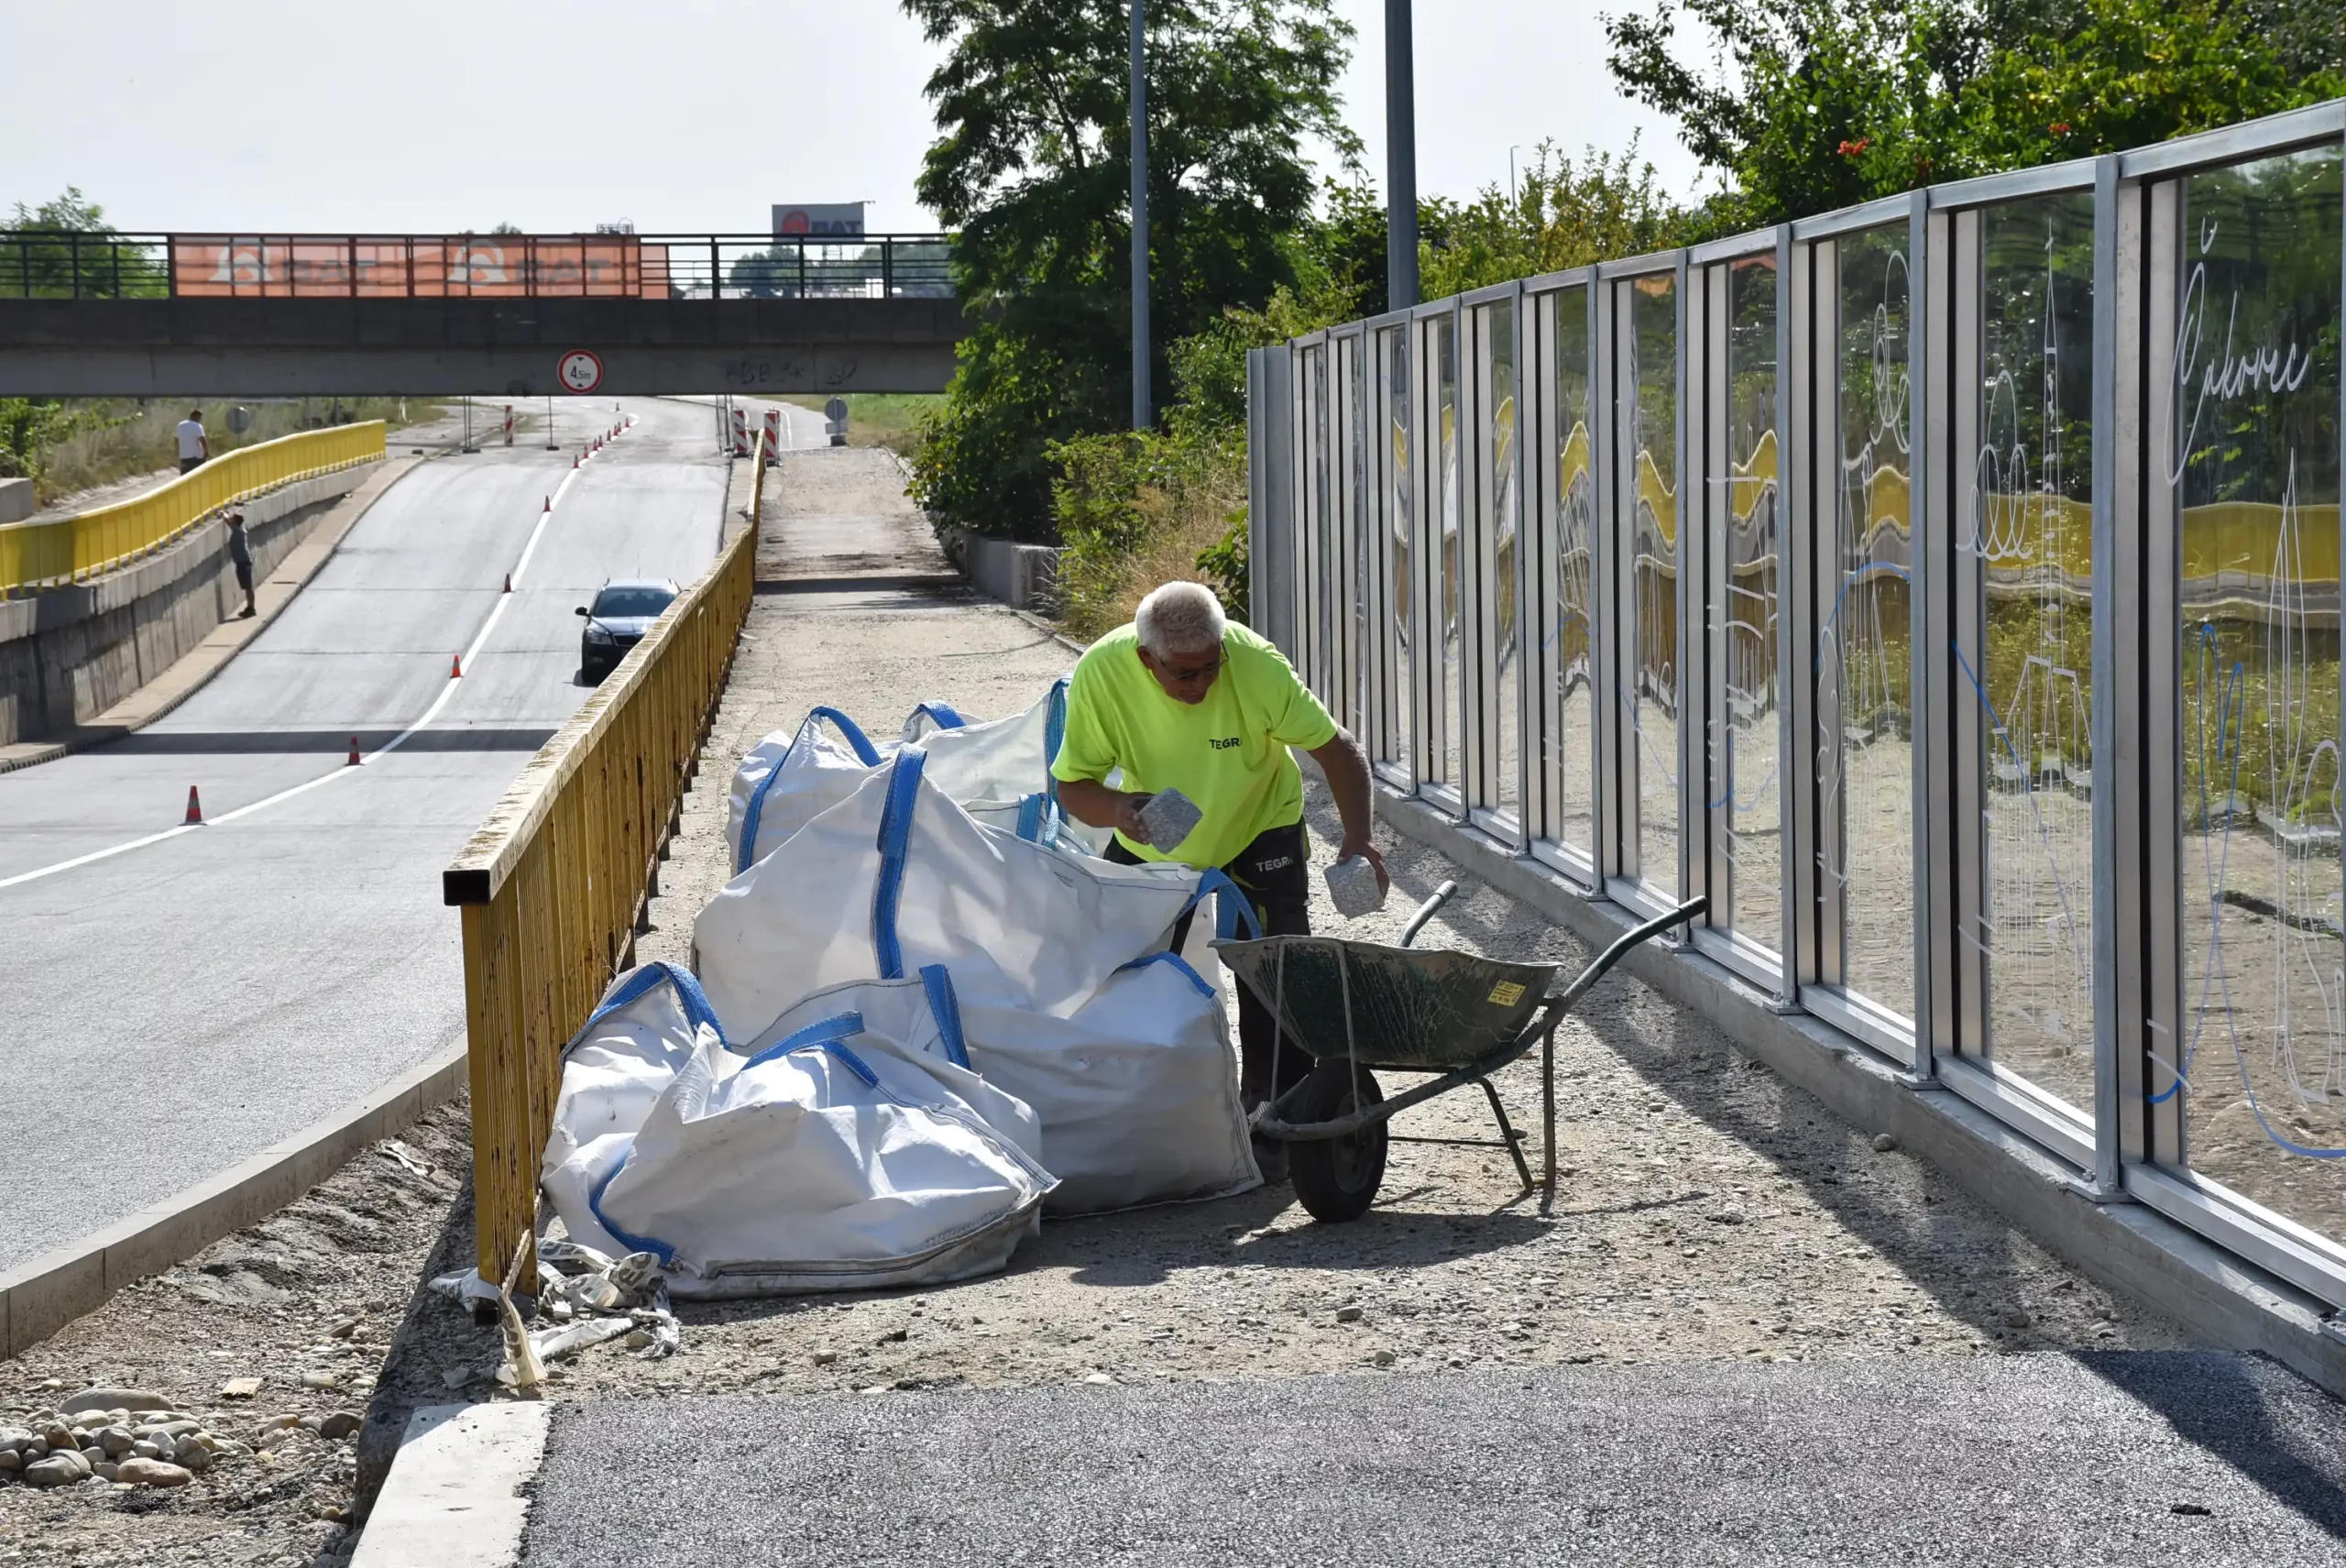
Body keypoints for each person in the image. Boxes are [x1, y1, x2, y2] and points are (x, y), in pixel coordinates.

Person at [1051, 580, 1389, 1179]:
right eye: (1185, 675)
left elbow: (1337, 749)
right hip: (1152, 838)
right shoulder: (1102, 673)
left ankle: (1274, 1120)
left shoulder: (1255, 664)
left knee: (1276, 975)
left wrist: (1358, 836)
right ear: (1144, 658)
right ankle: (1144, 1113)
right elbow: (1073, 784)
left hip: (1260, 826)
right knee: (1128, 975)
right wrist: (1122, 810)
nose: (1203, 684)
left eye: (1211, 667)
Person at [225, 511, 255, 618]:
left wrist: (223, 513)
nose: (231, 520)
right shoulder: (239, 530)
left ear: (236, 521)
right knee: (247, 586)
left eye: (233, 519)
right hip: (241, 561)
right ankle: (250, 607)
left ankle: (251, 608)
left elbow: (227, 521)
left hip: (243, 562)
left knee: (248, 586)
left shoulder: (238, 531)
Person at [175, 409, 208, 474]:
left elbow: (176, 440)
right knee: (198, 477)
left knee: (185, 477)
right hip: (196, 457)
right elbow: (202, 440)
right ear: (197, 417)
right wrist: (206, 452)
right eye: (200, 418)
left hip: (184, 457)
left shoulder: (180, 425)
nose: (200, 420)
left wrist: (177, 452)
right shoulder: (198, 426)